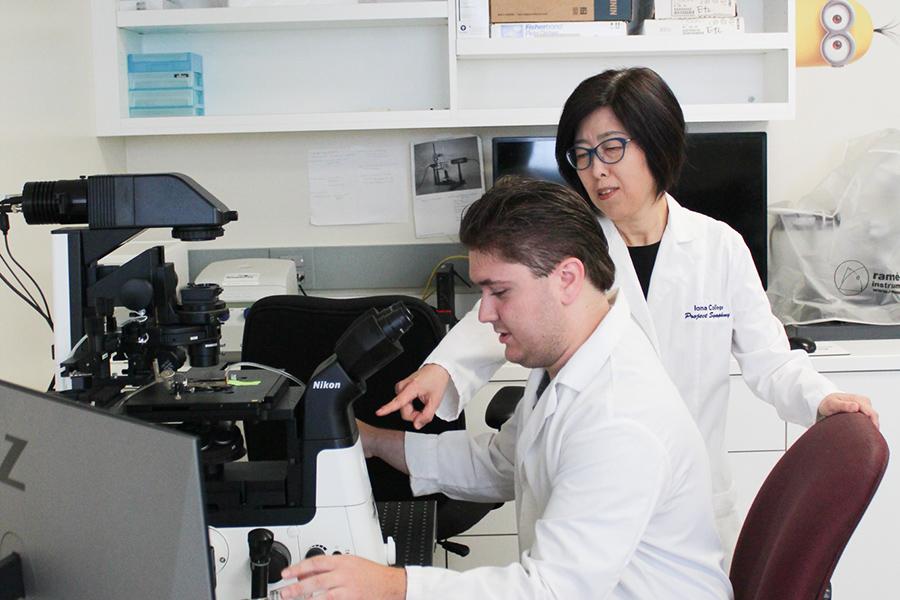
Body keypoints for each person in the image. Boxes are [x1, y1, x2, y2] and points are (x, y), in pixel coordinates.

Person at [377, 67, 879, 561]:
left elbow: (772, 362)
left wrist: (823, 399)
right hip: (590, 501)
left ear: (656, 143)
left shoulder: (718, 247)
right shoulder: (570, 248)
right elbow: (508, 308)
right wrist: (444, 369)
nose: (597, 170)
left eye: (612, 148)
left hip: (687, 513)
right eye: (582, 154)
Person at [277, 178, 733, 600]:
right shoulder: (570, 362)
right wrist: (374, 441)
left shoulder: (619, 417)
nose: (484, 314)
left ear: (567, 279)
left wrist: (394, 586)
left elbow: (550, 591)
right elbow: (499, 463)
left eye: (500, 292)